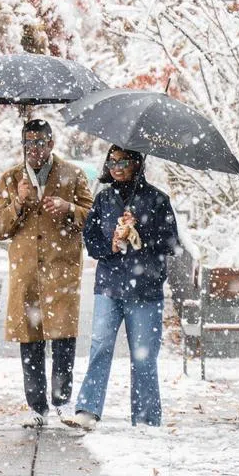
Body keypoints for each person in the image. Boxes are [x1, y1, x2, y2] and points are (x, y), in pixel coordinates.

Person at [63, 145, 179, 431]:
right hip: (109, 287)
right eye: (112, 161)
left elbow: (171, 243)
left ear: (137, 163)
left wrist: (140, 230)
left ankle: (146, 418)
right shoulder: (103, 200)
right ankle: (88, 409)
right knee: (100, 347)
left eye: (123, 161)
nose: (116, 167)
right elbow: (90, 242)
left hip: (145, 291)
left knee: (143, 356)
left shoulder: (157, 200)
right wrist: (111, 245)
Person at [0, 119, 94, 428]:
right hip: (26, 273)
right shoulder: (11, 179)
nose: (34, 149)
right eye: (28, 143)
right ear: (22, 146)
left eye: (40, 143)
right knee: (30, 339)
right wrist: (19, 201)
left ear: (51, 144)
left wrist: (68, 208)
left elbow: (93, 220)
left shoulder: (72, 175)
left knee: (63, 337)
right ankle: (37, 407)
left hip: (61, 267)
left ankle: (63, 402)